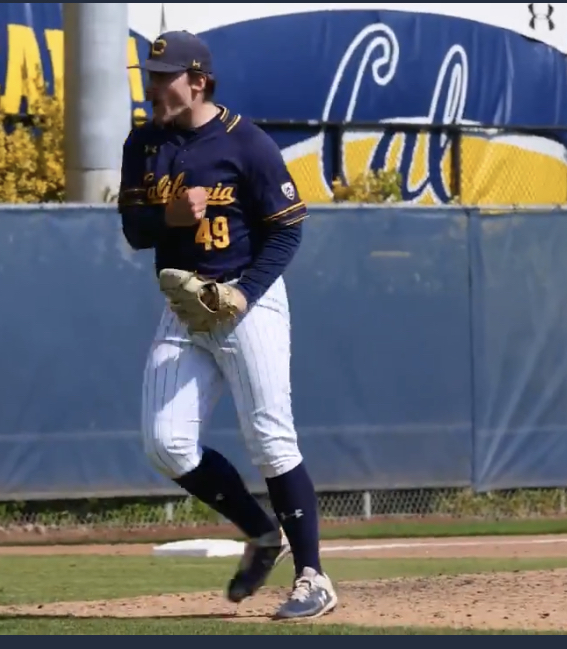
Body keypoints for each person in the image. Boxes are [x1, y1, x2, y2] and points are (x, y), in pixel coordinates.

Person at [117, 30, 337, 620]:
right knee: (165, 444)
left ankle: (312, 576)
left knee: (270, 435)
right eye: (151, 73)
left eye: (165, 75)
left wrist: (245, 292)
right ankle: (261, 533)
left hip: (248, 298)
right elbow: (135, 231)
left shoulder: (248, 145)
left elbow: (288, 229)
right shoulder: (143, 143)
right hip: (185, 306)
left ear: (199, 82)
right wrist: (166, 216)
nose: (154, 84)